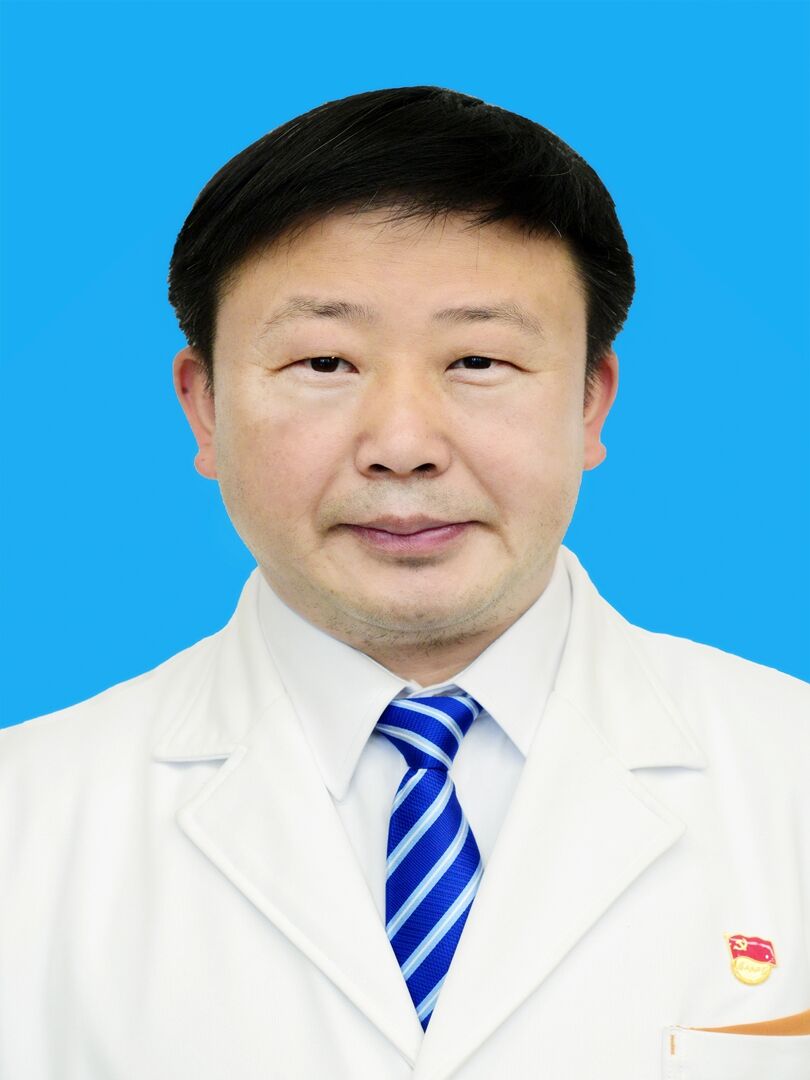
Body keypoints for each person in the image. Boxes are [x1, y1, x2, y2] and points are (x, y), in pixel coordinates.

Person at [1, 85, 808, 1080]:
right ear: (204, 408)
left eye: (478, 359)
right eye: (324, 362)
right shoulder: (23, 821)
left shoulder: (791, 776)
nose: (403, 444)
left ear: (590, 402)